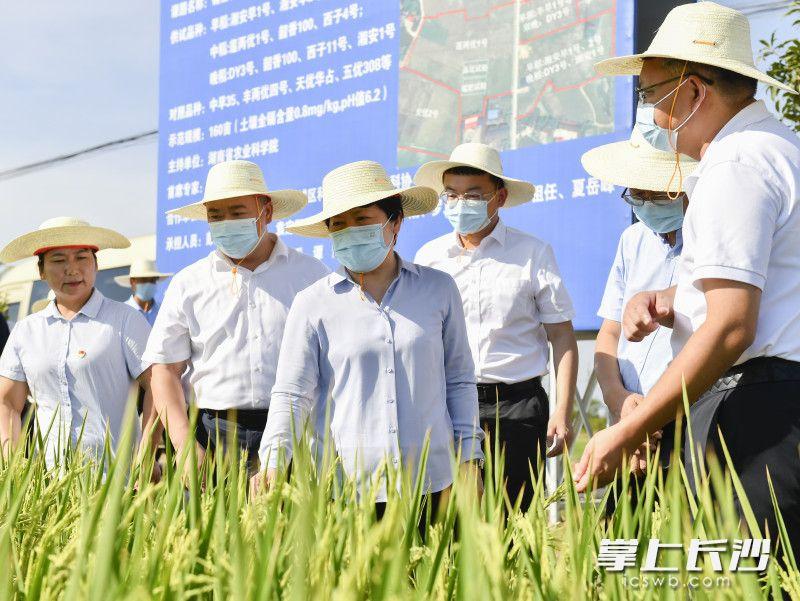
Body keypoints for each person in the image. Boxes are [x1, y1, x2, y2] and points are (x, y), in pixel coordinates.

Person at [573, 1, 800, 553]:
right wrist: (675, 295)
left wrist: (628, 430)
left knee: (745, 577)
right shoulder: (781, 147)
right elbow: (769, 282)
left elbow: (730, 328)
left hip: (757, 412)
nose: (651, 114)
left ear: (694, 91)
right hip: (779, 401)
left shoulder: (734, 164)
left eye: (652, 96)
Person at [255, 160, 484, 514]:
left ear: (396, 224)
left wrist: (469, 456)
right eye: (339, 225)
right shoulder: (313, 302)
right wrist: (273, 460)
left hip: (432, 482)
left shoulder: (438, 290)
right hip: (345, 488)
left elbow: (459, 380)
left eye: (362, 220)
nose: (350, 231)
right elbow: (292, 393)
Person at [413, 142, 578, 510]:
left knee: (513, 522)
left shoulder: (532, 253)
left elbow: (562, 337)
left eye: (473, 195)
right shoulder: (429, 257)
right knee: (448, 523)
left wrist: (562, 412)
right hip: (449, 406)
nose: (460, 204)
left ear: (499, 197)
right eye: (451, 195)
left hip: (517, 407)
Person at [144, 160, 329, 474]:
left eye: (237, 213)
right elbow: (164, 370)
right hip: (212, 435)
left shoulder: (311, 276)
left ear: (266, 212)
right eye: (216, 216)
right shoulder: (189, 283)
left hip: (294, 431)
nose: (226, 223)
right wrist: (185, 444)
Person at [0, 217, 159, 475]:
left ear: (96, 264)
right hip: (52, 482)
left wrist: (147, 451)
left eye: (82, 258)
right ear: (41, 271)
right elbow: (7, 403)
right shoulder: (25, 332)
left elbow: (158, 385)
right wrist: (12, 468)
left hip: (118, 477)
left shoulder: (124, 320)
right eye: (59, 260)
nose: (71, 269)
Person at [582, 127, 697, 475]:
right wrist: (622, 403)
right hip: (628, 422)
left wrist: (650, 416)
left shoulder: (711, 237)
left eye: (659, 194)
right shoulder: (632, 241)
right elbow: (608, 336)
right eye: (637, 194)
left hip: (691, 419)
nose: (647, 204)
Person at [114, 258, 173, 327]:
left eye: (152, 280)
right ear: (132, 282)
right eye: (143, 280)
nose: (148, 284)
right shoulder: (121, 313)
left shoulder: (164, 311)